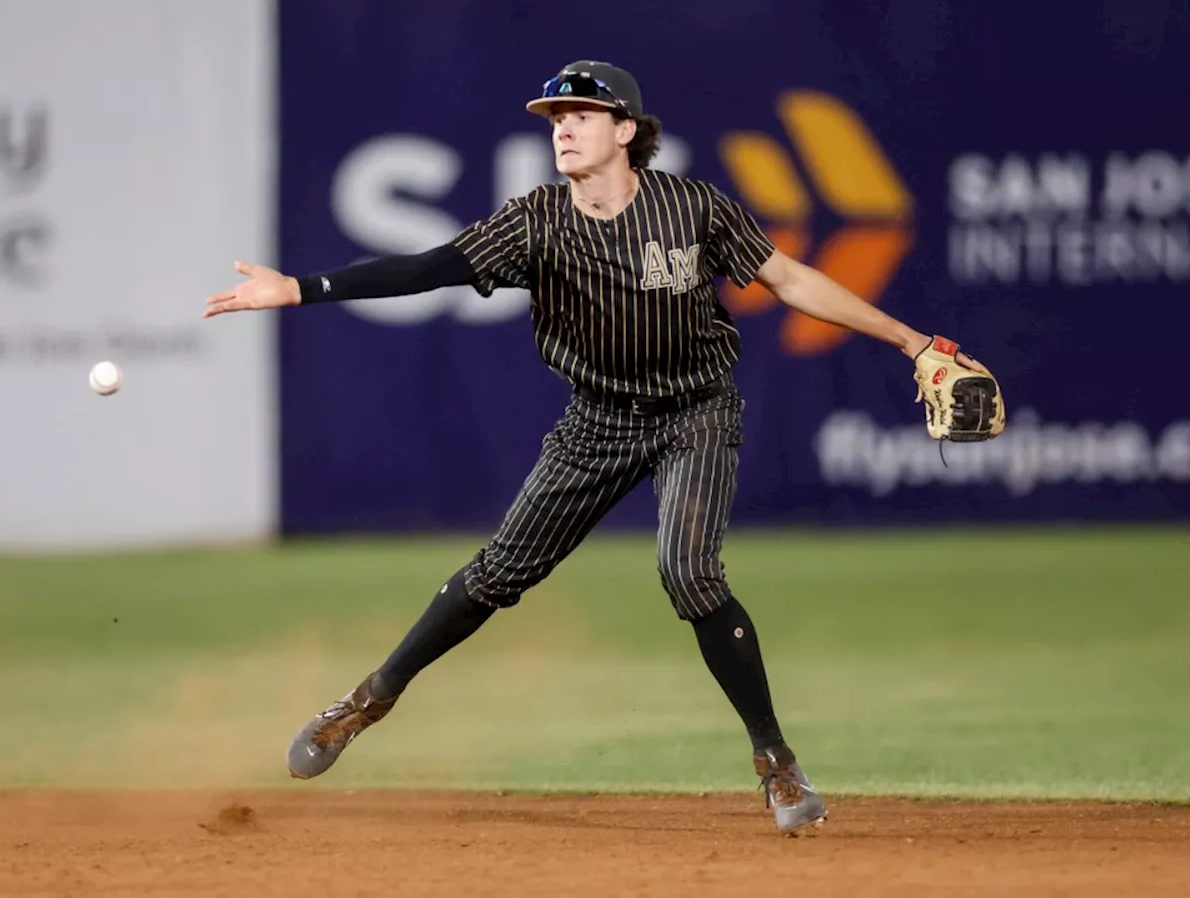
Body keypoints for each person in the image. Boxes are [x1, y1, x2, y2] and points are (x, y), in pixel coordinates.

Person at [203, 60, 992, 836]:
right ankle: (365, 702)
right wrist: (303, 288)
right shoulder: (535, 221)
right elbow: (430, 266)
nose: (564, 129)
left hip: (696, 411)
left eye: (580, 114)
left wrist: (912, 341)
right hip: (600, 420)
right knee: (497, 573)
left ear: (625, 130)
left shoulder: (692, 209)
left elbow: (787, 280)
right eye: (554, 118)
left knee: (689, 572)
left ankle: (777, 762)